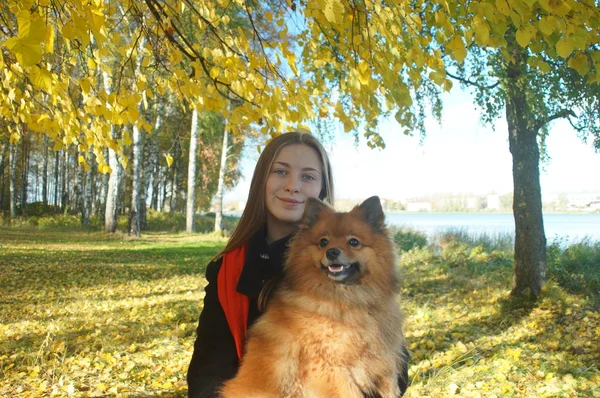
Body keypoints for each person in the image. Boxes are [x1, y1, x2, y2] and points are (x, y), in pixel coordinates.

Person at [186, 130, 408, 397]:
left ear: (321, 190)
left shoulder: (362, 283)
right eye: (280, 172)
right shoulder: (227, 269)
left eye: (308, 176)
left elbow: (393, 367)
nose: (293, 185)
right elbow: (207, 371)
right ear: (261, 180)